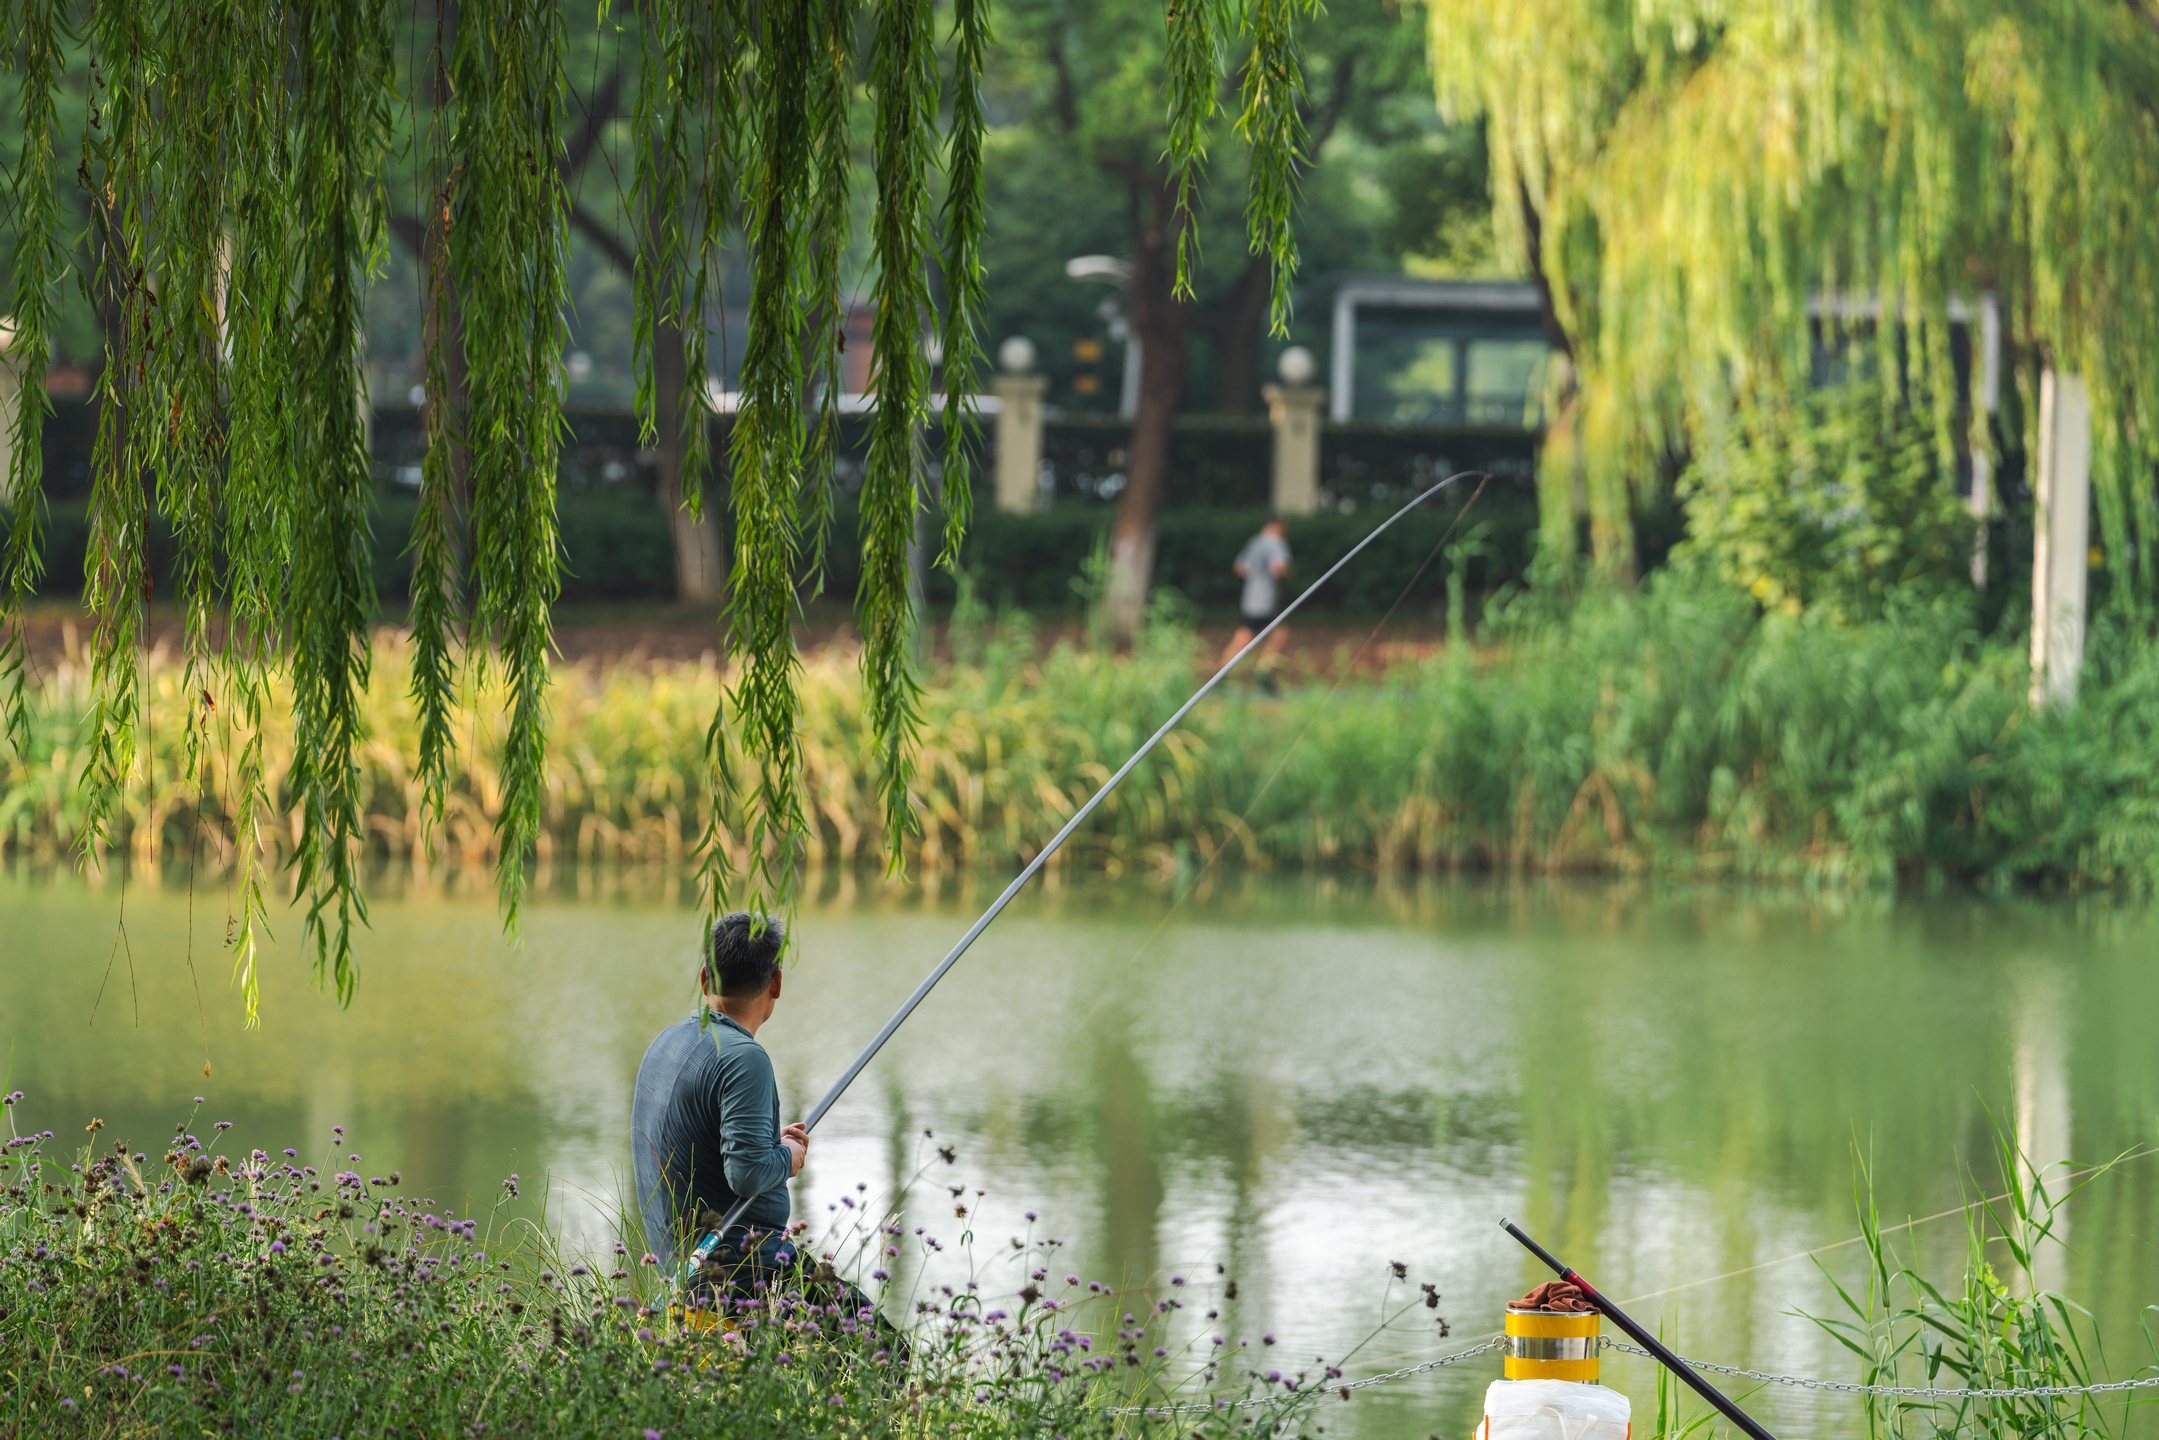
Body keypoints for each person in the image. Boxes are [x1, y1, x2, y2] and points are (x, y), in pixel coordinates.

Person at [631, 912, 808, 1295]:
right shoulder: (745, 1058)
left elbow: (696, 1139)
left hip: (680, 1266)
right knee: (890, 1351)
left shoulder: (667, 1040)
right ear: (775, 983)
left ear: (704, 979)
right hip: (744, 1273)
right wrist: (789, 1155)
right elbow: (746, 1175)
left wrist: (760, 1140)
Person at [1219, 515, 1293, 679]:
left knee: (1251, 634)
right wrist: (1289, 573)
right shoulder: (1276, 543)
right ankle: (1263, 674)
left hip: (1251, 597)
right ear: (1277, 526)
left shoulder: (1255, 542)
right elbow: (1278, 567)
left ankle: (1224, 671)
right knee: (1255, 636)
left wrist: (1256, 576)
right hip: (1264, 600)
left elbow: (1240, 567)